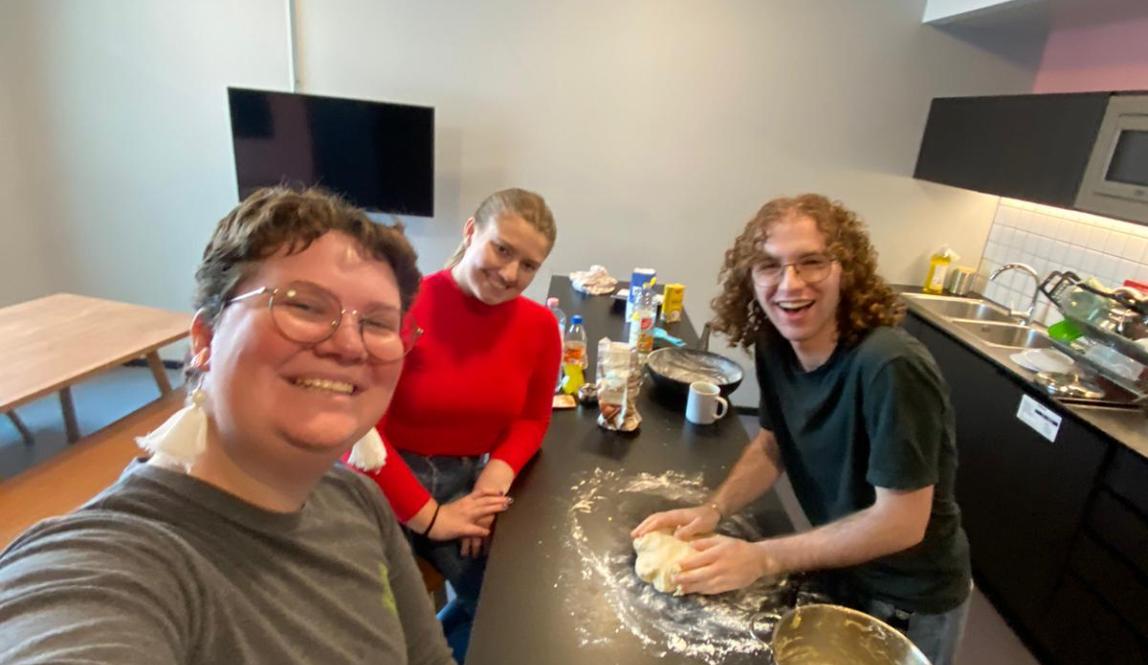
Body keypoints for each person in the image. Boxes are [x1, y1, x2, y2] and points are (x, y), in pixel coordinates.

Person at [0, 187, 463, 665]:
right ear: (203, 339)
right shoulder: (102, 566)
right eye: (303, 306)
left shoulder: (356, 499)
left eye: (378, 323)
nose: (349, 345)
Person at [632, 194, 972, 665]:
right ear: (750, 279)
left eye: (811, 262)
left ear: (845, 271)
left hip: (906, 598)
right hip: (836, 565)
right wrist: (712, 510)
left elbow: (901, 523)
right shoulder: (777, 343)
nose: (789, 285)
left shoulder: (889, 366)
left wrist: (763, 558)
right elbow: (774, 443)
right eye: (770, 267)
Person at [356, 188, 561, 663]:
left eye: (528, 266)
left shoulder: (539, 327)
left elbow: (533, 418)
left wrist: (494, 478)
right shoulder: (403, 307)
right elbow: (365, 435)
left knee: (510, 607)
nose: (510, 274)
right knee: (376, 624)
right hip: (384, 476)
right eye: (501, 249)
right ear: (471, 231)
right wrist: (431, 517)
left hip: (468, 478)